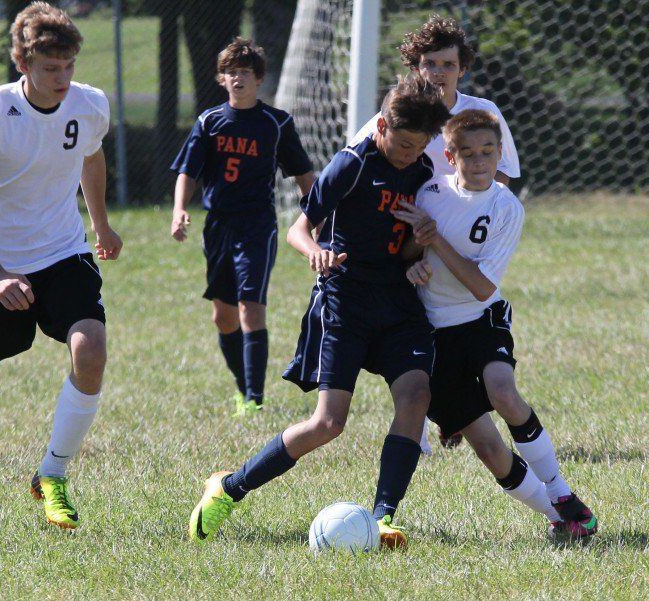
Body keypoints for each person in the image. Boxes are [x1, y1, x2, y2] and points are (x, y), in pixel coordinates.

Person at [187, 74, 450, 549]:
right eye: (406, 144)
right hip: (344, 300)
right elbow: (299, 229)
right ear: (382, 126)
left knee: (415, 395)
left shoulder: (422, 168)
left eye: (421, 146)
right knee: (329, 423)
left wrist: (420, 245)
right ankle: (229, 487)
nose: (412, 154)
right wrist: (316, 251)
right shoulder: (352, 164)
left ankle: (384, 516)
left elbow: (408, 244)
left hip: (397, 302)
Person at [0, 1, 120, 533]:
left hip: (62, 251)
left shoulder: (89, 106)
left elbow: (92, 156)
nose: (62, 79)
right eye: (50, 68)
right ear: (23, 64)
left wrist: (100, 225)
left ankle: (52, 476)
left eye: (69, 67)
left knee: (91, 347)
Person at [395, 109, 597, 539]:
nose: (479, 160)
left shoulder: (507, 208)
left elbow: (483, 287)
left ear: (500, 154)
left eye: (488, 151)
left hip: (481, 317)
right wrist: (412, 263)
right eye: (467, 153)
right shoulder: (428, 193)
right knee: (488, 447)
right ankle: (559, 518)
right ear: (450, 157)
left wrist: (435, 242)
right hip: (432, 333)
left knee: (502, 389)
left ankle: (560, 490)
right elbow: (407, 253)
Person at [352, 14, 522, 452]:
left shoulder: (482, 115)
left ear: (461, 68)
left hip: (462, 252)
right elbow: (354, 165)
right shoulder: (394, 117)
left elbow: (501, 184)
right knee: (412, 336)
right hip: (406, 247)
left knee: (459, 338)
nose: (438, 72)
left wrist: (464, 237)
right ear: (416, 68)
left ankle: (454, 412)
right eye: (430, 63)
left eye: (448, 64)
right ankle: (423, 426)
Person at [170, 37, 315, 415]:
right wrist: (178, 210)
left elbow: (303, 173)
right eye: (231, 72)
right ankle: (242, 386)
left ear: (258, 79)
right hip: (218, 225)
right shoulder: (210, 121)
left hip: (257, 225)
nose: (238, 79)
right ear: (221, 79)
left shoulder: (275, 123)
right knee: (223, 315)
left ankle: (254, 399)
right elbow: (188, 169)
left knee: (252, 307)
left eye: (245, 73)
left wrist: (315, 218)